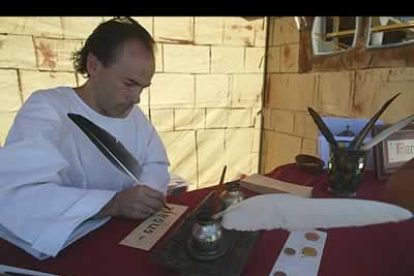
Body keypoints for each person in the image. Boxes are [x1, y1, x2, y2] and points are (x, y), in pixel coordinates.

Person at [0, 17, 170, 259]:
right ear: (94, 65)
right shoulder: (47, 108)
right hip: (68, 250)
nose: (136, 98)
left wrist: (147, 196)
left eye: (143, 87)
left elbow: (156, 165)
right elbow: (19, 195)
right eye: (129, 83)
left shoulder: (135, 117)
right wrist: (113, 203)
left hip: (124, 242)